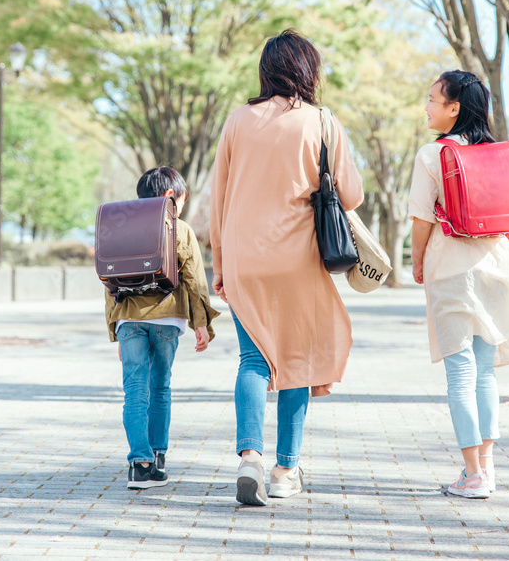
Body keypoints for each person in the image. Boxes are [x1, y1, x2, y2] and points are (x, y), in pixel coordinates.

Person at [209, 30, 364, 506]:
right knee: (297, 361)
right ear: (307, 70)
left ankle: (250, 457)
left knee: (254, 360)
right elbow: (352, 195)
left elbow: (217, 201)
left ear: (266, 69)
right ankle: (284, 470)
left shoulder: (237, 121)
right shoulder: (322, 123)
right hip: (297, 261)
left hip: (244, 261)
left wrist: (220, 266)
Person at [407, 70, 509, 499]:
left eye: (432, 99)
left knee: (460, 373)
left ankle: (471, 475)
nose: (427, 106)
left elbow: (421, 220)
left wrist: (416, 265)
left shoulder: (432, 155)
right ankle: (486, 467)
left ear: (453, 108)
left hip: (451, 270)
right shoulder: (503, 153)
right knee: (484, 372)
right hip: (498, 267)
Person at [104, 166, 220, 489]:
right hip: (168, 320)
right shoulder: (179, 229)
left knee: (134, 390)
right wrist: (202, 324)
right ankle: (158, 457)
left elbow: (109, 282)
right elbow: (196, 280)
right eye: (181, 200)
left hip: (129, 319)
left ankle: (139, 464)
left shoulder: (121, 227)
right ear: (171, 196)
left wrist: (116, 328)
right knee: (161, 387)